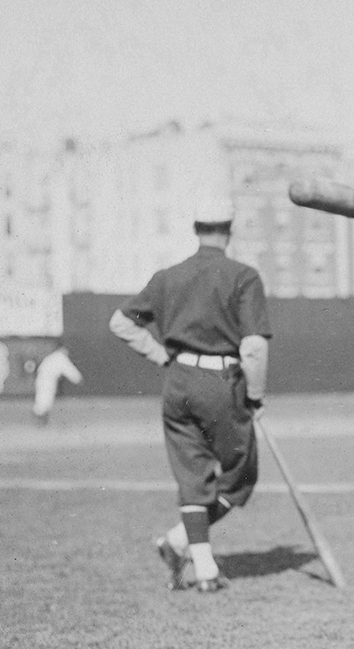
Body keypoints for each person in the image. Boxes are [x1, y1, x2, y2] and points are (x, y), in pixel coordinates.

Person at [108, 197, 271, 594]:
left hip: (178, 382)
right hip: (221, 384)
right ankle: (200, 564)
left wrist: (161, 354)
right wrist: (255, 395)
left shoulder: (168, 276)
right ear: (229, 231)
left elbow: (120, 322)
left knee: (191, 477)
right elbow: (252, 346)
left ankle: (185, 549)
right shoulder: (243, 275)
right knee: (241, 478)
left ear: (195, 230)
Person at [32, 344, 83, 425]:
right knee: (45, 398)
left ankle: (41, 416)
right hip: (47, 380)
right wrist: (78, 378)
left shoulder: (52, 357)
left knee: (42, 398)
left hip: (42, 379)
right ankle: (40, 417)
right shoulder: (60, 357)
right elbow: (69, 369)